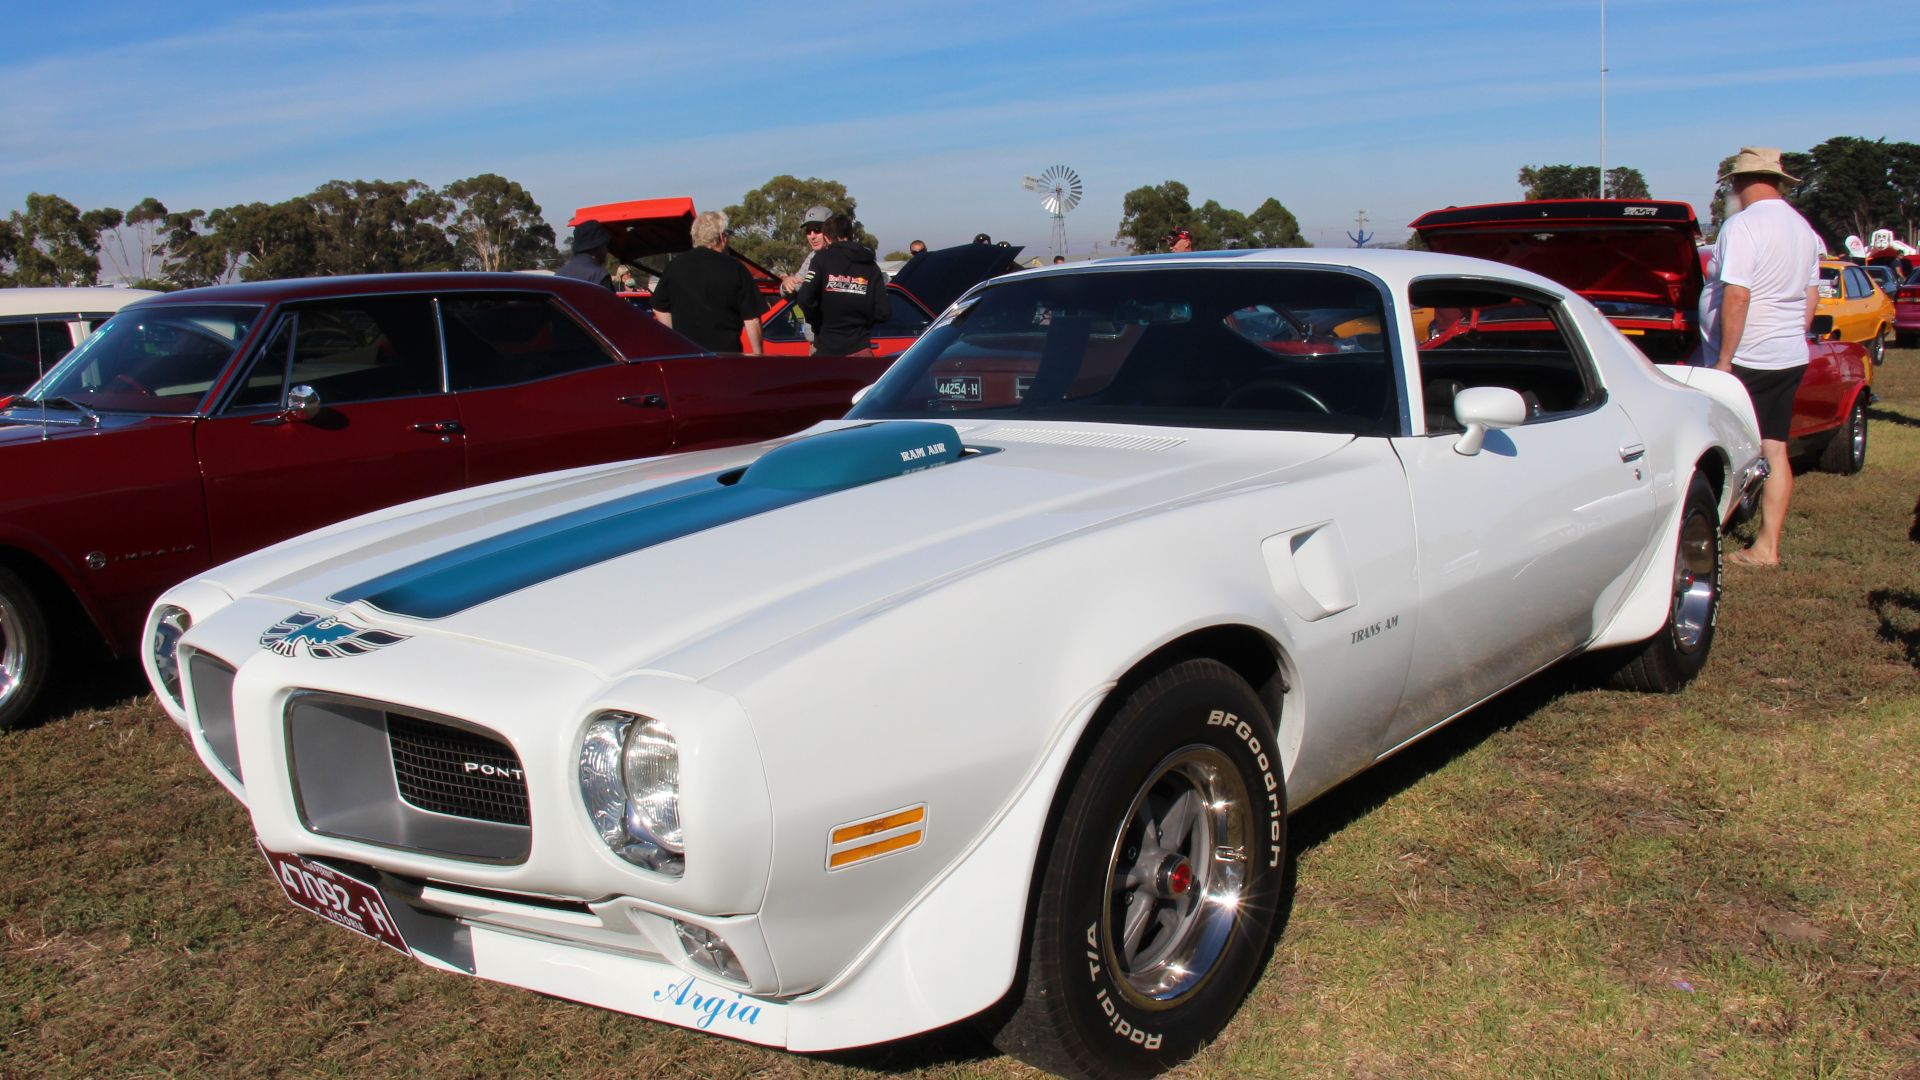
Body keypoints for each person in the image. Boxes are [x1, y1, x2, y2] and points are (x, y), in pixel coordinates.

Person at [1700, 147, 1822, 567]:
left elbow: (1737, 294)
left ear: (1737, 183)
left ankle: (1707, 530)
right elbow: (1810, 295)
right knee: (1774, 449)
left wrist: (1724, 361)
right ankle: (1768, 545)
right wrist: (1792, 335)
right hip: (1788, 354)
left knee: (1721, 446)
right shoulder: (1803, 229)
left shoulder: (1742, 226)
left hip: (1746, 357)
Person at [649, 210, 765, 354]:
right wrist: (758, 354)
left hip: (687, 356)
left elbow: (659, 308)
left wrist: (677, 338)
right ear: (722, 237)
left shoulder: (675, 266)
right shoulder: (736, 268)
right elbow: (752, 320)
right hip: (726, 356)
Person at [793, 213, 889, 356]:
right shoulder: (871, 266)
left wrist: (817, 322)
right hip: (860, 349)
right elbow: (884, 312)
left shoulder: (821, 259)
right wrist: (862, 322)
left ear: (826, 237)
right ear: (850, 234)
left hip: (827, 349)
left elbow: (805, 298)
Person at [780, 205, 833, 297]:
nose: (812, 236)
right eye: (808, 231)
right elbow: (795, 286)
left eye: (817, 230)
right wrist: (786, 284)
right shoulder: (812, 256)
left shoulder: (843, 255)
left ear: (831, 230)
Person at [557, 220, 615, 289]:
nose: (606, 251)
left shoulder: (559, 274)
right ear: (597, 247)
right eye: (605, 245)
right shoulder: (599, 276)